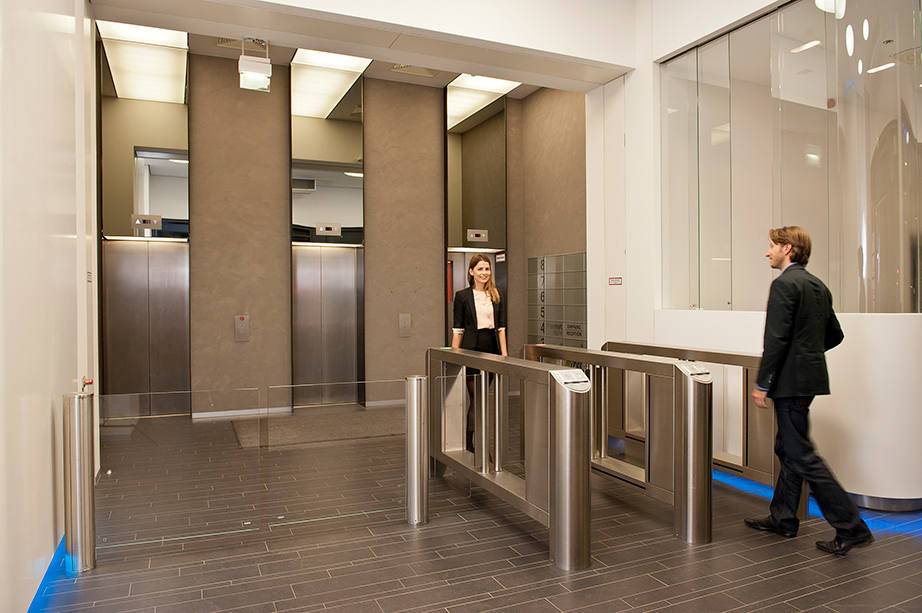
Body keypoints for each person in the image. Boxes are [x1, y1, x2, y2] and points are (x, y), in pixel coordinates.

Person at [746, 226, 873, 556]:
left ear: (788, 249)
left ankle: (851, 527)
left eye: (772, 246)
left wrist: (762, 383)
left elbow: (775, 340)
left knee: (801, 454)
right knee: (788, 448)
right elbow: (835, 334)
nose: (767, 252)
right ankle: (783, 517)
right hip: (808, 380)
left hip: (789, 383)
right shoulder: (818, 285)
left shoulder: (784, 284)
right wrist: (808, 355)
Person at [451, 254, 508, 452]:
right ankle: (472, 443)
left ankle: (474, 443)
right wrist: (454, 356)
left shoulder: (497, 295)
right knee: (478, 398)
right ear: (471, 271)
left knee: (482, 399)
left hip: (491, 350)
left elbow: (501, 328)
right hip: (471, 351)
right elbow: (458, 329)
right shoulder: (462, 296)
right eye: (480, 269)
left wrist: (504, 355)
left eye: (487, 268)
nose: (484, 273)